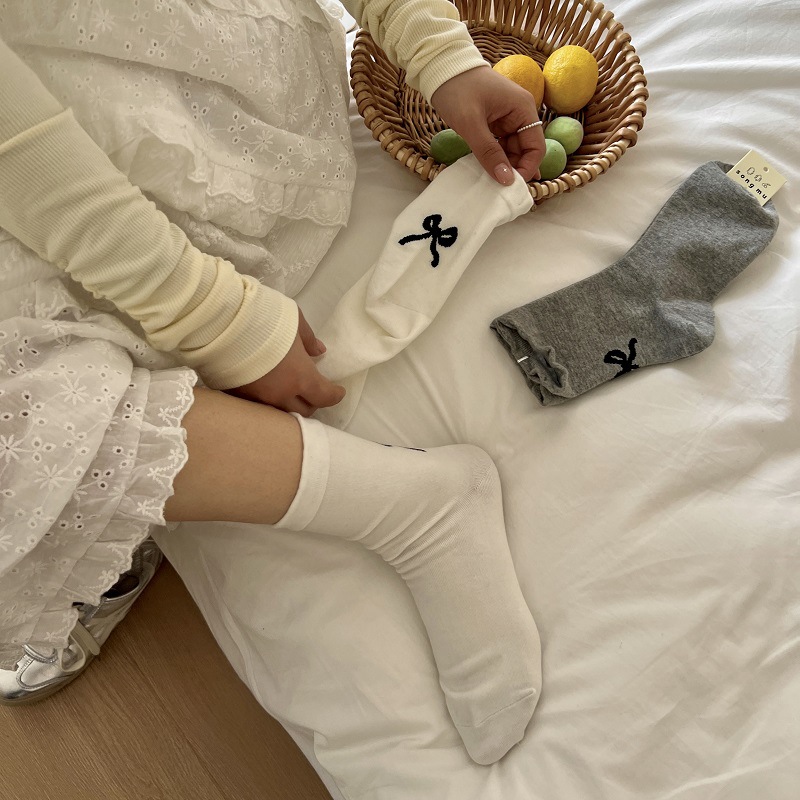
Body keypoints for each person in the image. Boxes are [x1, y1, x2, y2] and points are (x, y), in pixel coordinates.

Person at [0, 0, 545, 764]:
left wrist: (444, 57)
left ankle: (416, 507)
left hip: (179, 98)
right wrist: (213, 318)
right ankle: (402, 501)